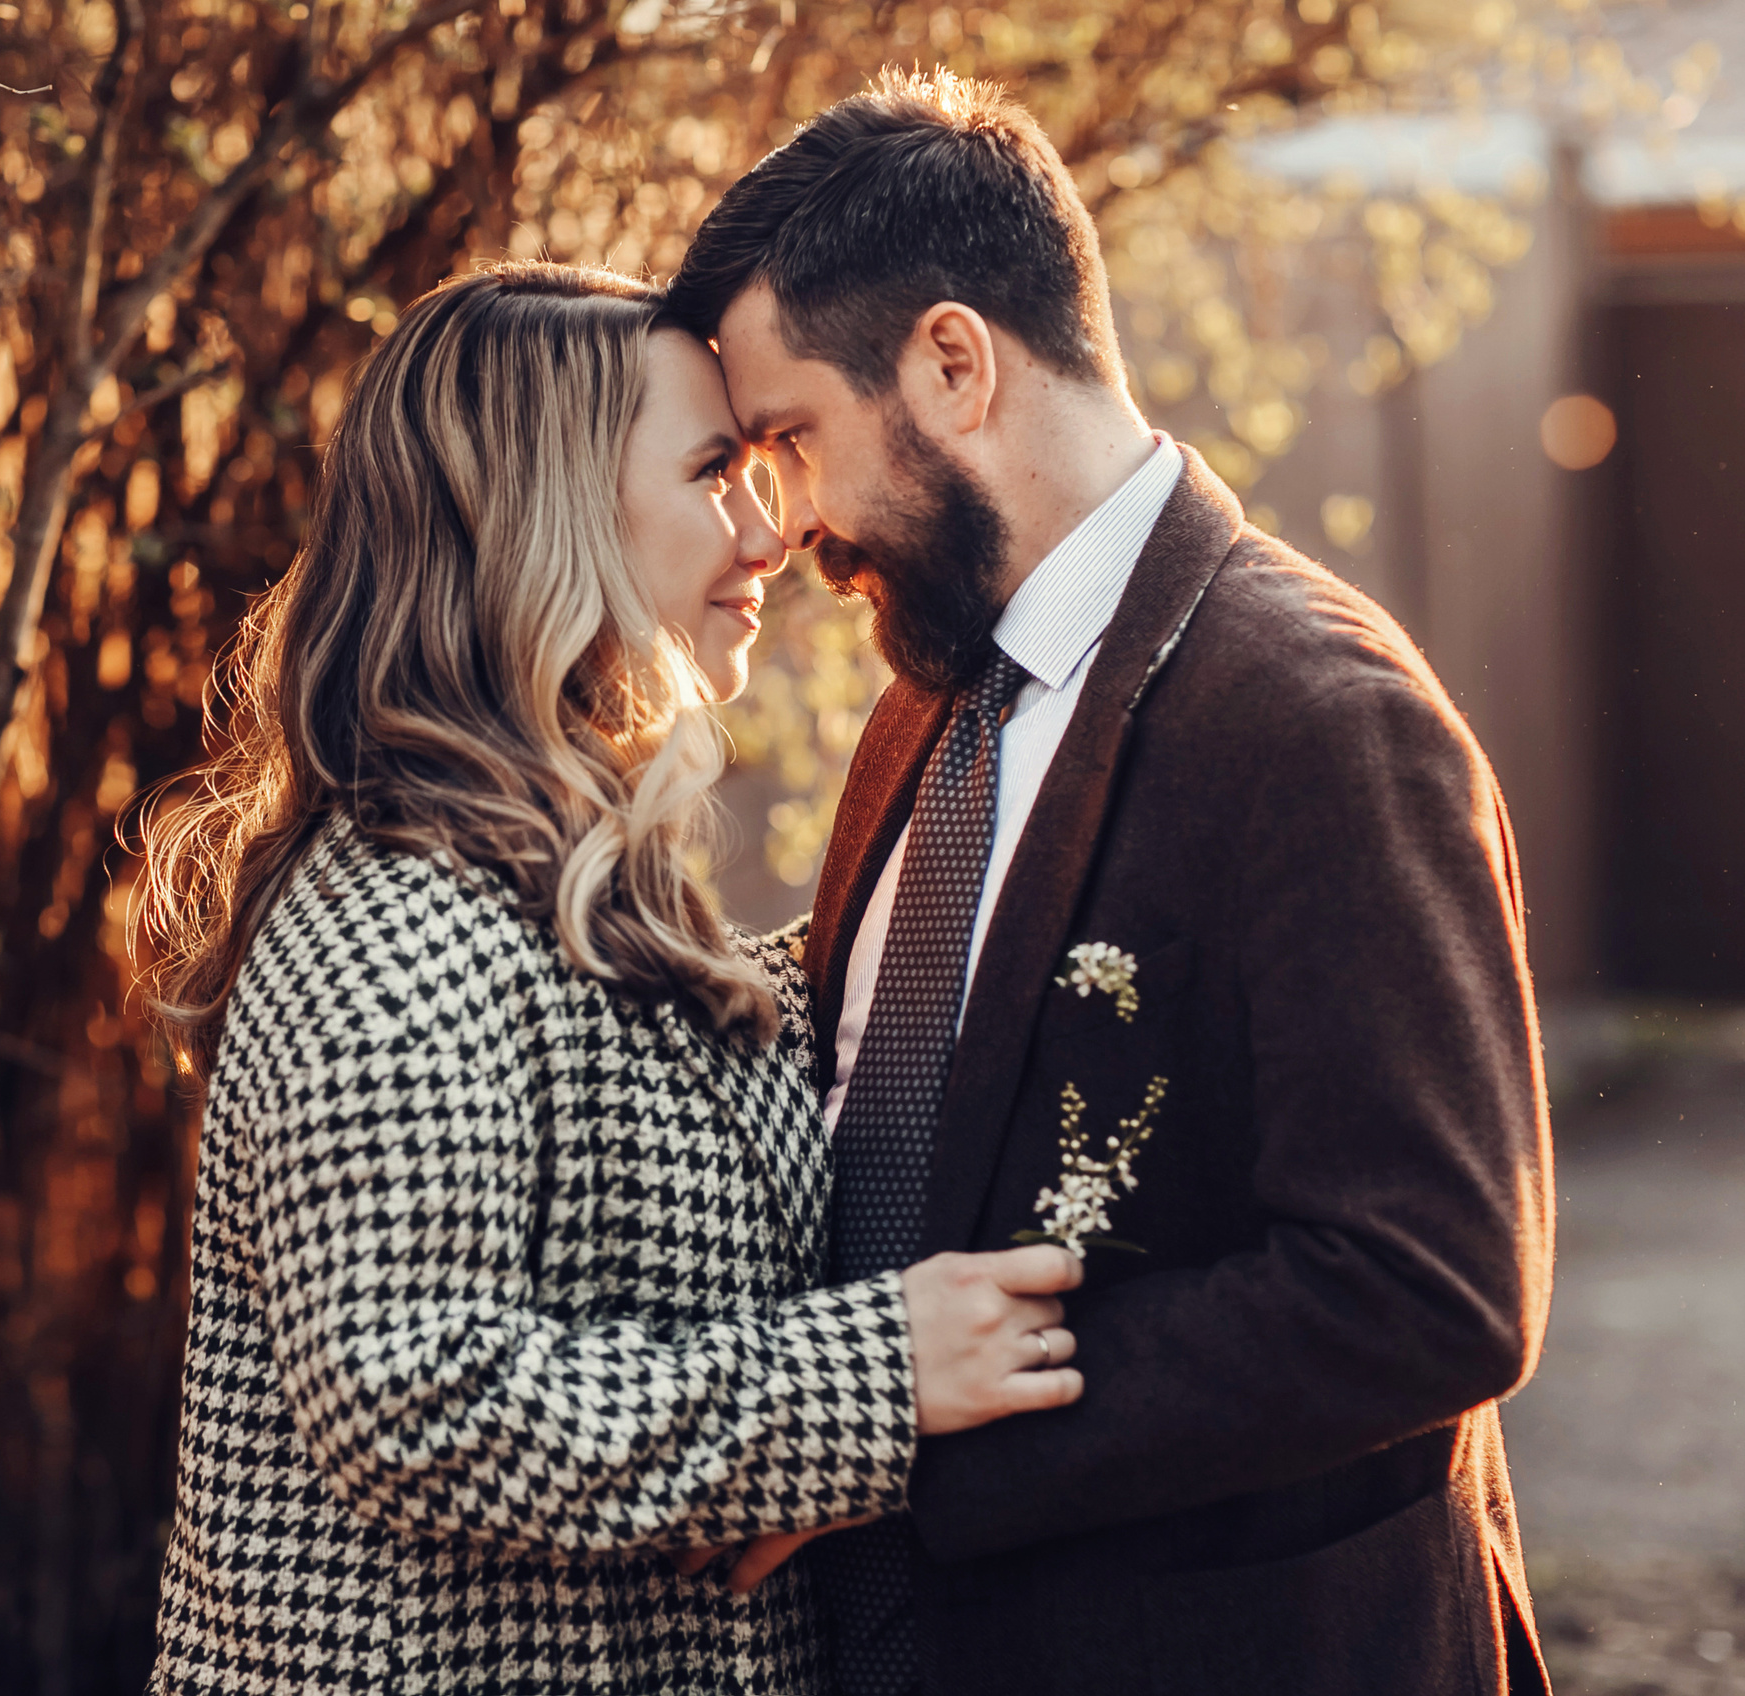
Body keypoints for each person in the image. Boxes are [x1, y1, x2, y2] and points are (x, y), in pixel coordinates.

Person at [662, 68, 1556, 1696]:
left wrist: (920, 1436)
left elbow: (1431, 1290)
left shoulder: (1326, 723)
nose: (790, 528)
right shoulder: (925, 706)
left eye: (797, 438)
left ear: (952, 363)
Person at [136, 262, 1086, 1693]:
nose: (769, 533)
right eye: (714, 472)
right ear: (547, 516)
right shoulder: (398, 920)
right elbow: (415, 1397)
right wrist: (872, 1380)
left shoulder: (566, 878)